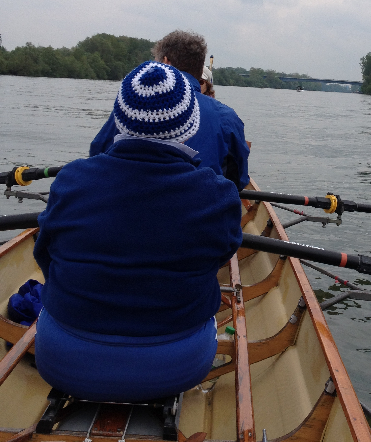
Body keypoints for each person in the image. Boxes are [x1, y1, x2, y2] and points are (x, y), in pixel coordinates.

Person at [33, 61, 243, 402]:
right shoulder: (218, 194)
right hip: (178, 366)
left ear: (119, 119)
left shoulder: (71, 179)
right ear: (190, 126)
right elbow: (220, 257)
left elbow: (45, 255)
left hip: (62, 360)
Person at [90, 30, 249, 191]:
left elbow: (98, 152)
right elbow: (238, 180)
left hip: (130, 197)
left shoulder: (134, 107)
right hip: (202, 201)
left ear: (166, 62)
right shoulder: (227, 117)